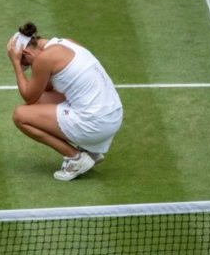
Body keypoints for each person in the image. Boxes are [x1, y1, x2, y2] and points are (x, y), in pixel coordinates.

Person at [6, 22, 123, 181]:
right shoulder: (68, 43)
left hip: (95, 125)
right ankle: (91, 151)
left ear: (26, 52)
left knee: (20, 115)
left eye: (27, 63)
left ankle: (76, 159)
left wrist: (15, 64)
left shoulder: (44, 58)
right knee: (40, 102)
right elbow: (44, 91)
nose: (31, 68)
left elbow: (28, 96)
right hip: (113, 117)